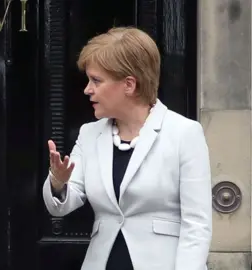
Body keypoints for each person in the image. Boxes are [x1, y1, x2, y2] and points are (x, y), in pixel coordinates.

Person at [43, 27, 212, 270]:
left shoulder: (184, 133)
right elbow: (63, 205)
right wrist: (58, 183)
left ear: (129, 84)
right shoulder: (90, 134)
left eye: (96, 80)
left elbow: (197, 225)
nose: (87, 89)